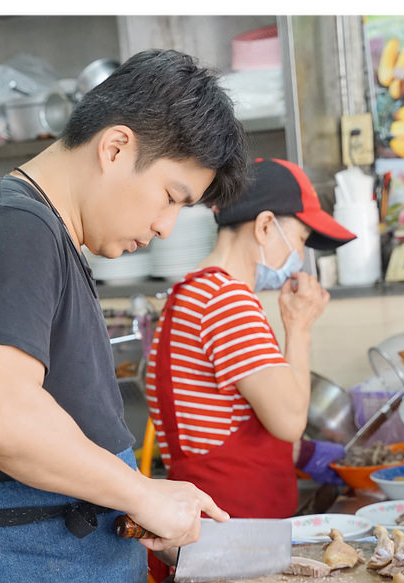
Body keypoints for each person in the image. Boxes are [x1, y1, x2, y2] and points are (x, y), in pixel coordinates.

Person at [0, 49, 248, 583]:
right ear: (115, 148)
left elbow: (48, 418)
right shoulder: (11, 228)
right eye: (170, 196)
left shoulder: (44, 233)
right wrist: (140, 496)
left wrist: (138, 494)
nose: (167, 227)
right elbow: (0, 417)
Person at [145, 158, 357, 523]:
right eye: (301, 240)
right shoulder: (227, 301)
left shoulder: (191, 292)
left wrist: (304, 455)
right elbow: (289, 421)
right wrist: (299, 327)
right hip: (235, 528)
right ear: (264, 226)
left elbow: (226, 417)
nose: (301, 258)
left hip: (204, 521)